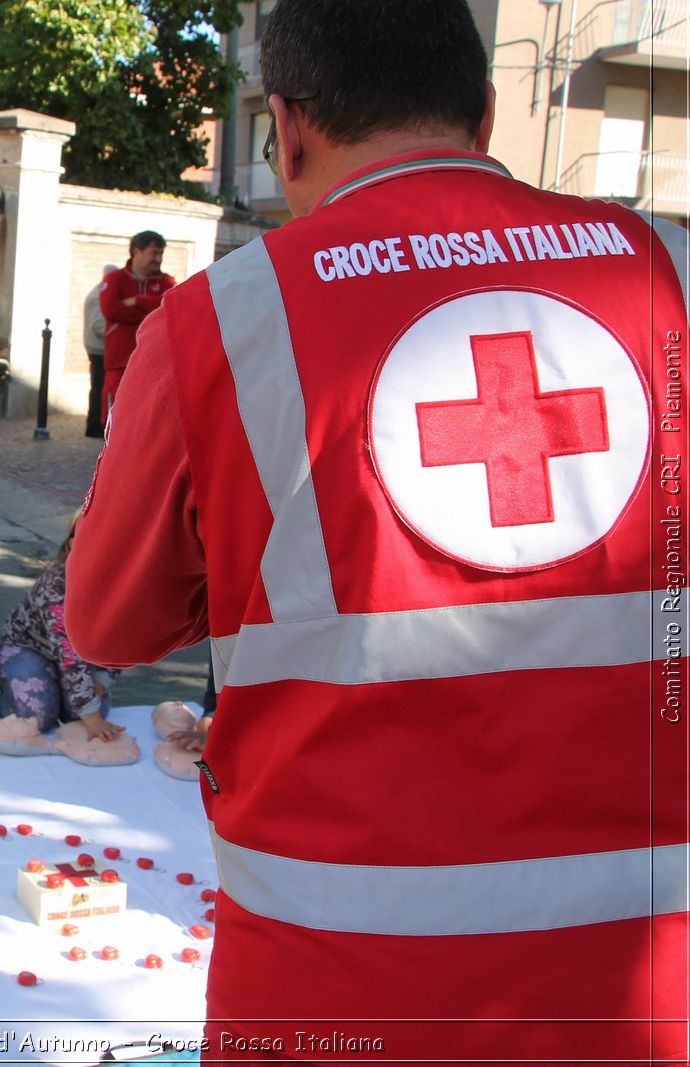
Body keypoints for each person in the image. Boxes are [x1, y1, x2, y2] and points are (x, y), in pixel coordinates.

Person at [65, 0, 689, 1060]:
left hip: (331, 975)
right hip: (638, 974)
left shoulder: (220, 318)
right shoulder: (666, 271)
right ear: (484, 115)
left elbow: (110, 622)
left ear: (288, 128)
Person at [0, 508, 135, 766]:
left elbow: (122, 640)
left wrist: (102, 678)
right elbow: (68, 653)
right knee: (36, 716)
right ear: (73, 543)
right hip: (29, 648)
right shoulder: (56, 584)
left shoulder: (123, 586)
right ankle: (10, 692)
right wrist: (92, 716)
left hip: (80, 658)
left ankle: (66, 694)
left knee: (82, 713)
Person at [97, 231, 173, 423]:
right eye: (154, 252)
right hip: (120, 362)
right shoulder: (114, 279)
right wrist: (151, 313)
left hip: (154, 364)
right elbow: (112, 311)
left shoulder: (166, 282)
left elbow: (172, 308)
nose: (158, 259)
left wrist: (137, 301)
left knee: (149, 420)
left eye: (161, 253)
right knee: (115, 420)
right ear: (136, 252)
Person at [82, 264, 115, 438]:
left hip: (99, 348)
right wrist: (116, 330)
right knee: (98, 389)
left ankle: (96, 424)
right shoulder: (97, 296)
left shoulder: (99, 292)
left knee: (98, 388)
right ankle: (94, 425)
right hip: (99, 349)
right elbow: (97, 325)